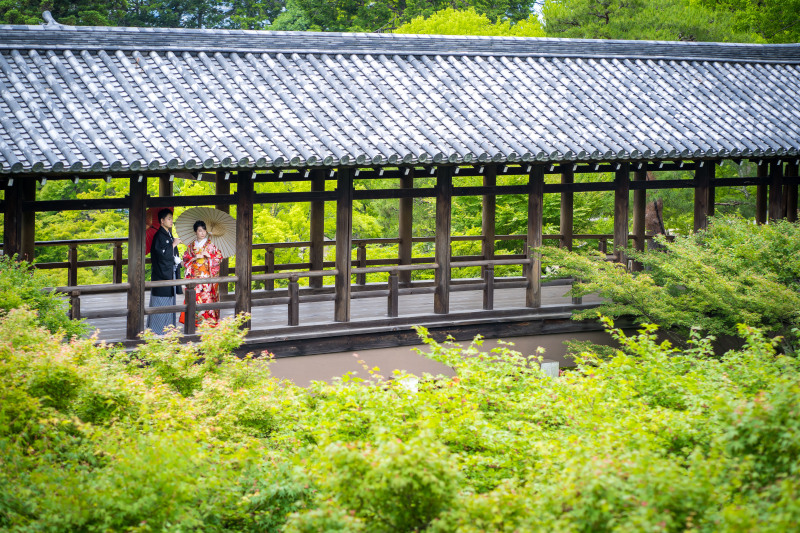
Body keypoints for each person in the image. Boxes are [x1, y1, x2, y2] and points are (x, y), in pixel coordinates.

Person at [181, 220, 223, 327]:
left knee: (207, 298)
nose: (202, 232)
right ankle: (194, 321)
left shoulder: (210, 245)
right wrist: (195, 257)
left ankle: (209, 321)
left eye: (204, 230)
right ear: (195, 232)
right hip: (194, 277)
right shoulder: (191, 246)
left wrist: (209, 256)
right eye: (200, 230)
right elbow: (185, 259)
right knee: (194, 298)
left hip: (206, 277)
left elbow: (219, 258)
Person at [147, 208, 182, 334]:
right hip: (161, 275)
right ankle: (158, 330)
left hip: (169, 273)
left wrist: (176, 259)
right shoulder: (158, 236)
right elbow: (161, 255)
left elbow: (169, 254)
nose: (171, 221)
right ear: (162, 221)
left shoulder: (168, 234)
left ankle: (169, 330)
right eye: (168, 218)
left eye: (172, 218)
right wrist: (173, 245)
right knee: (161, 302)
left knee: (170, 303)